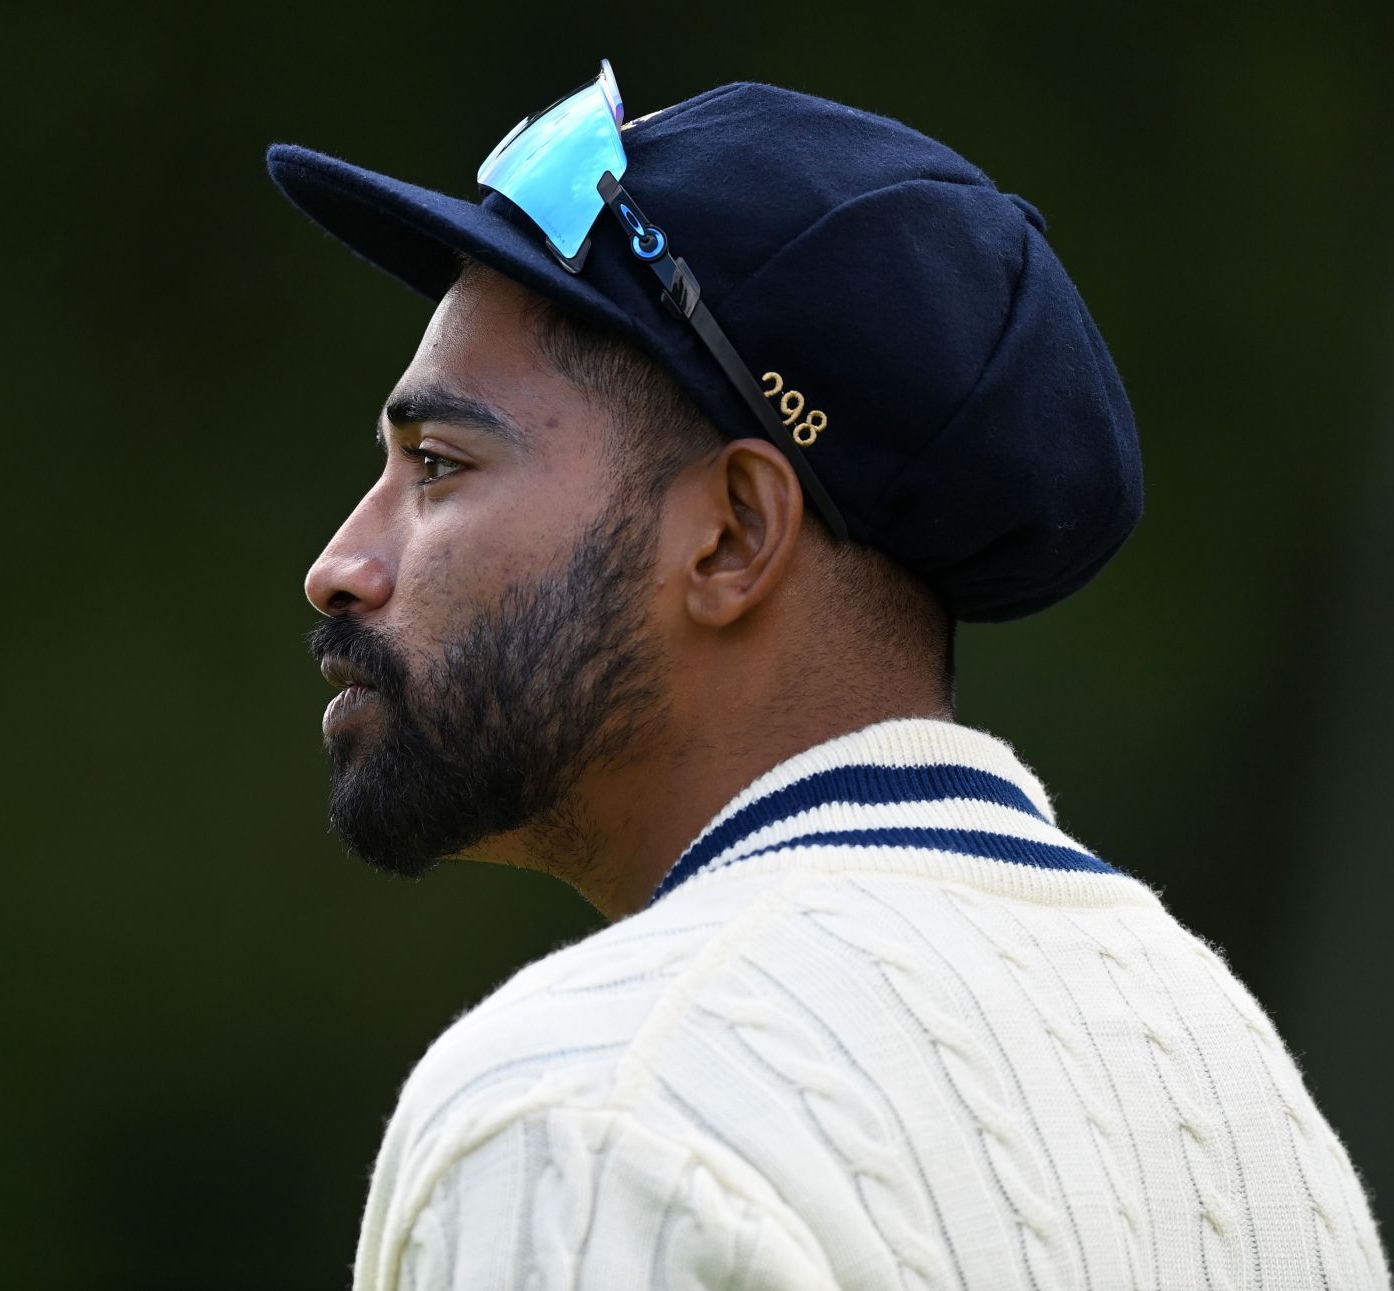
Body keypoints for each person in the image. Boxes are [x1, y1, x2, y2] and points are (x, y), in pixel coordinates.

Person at [267, 63, 1387, 1290]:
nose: (342, 566)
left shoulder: (590, 1106)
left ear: (735, 534)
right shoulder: (1234, 1095)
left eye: (439, 464)